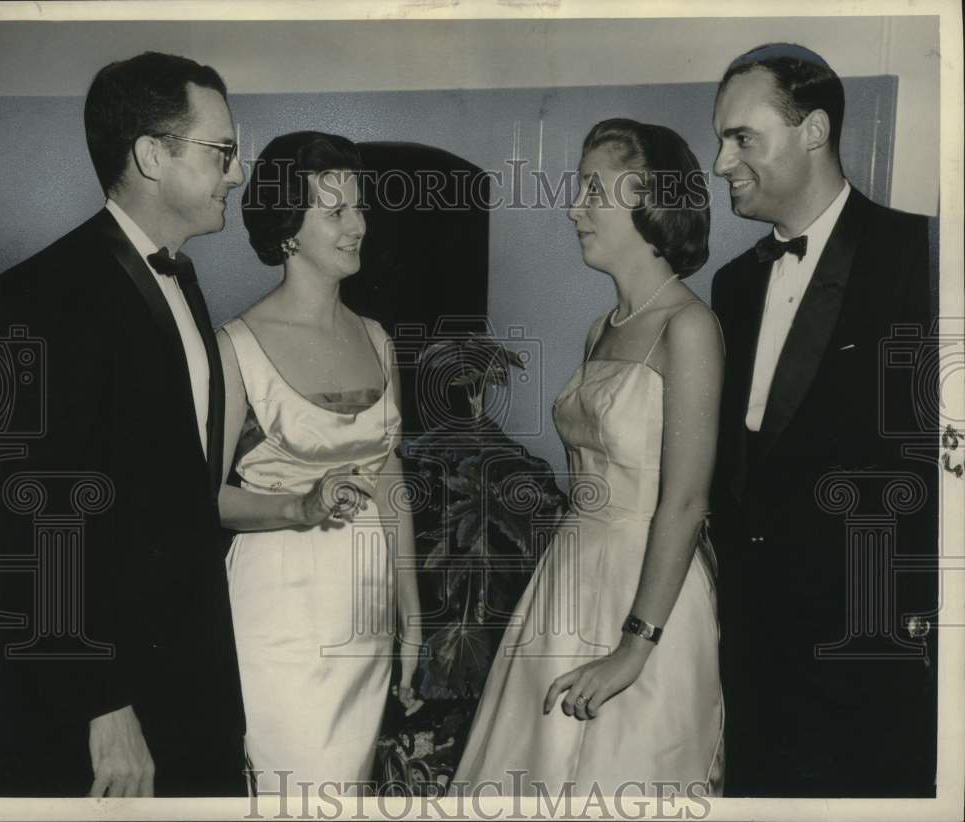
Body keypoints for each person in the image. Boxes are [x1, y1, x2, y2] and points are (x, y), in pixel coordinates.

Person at [0, 52, 247, 796]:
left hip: (189, 675)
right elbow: (37, 517)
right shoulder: (44, 295)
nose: (236, 173)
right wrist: (101, 703)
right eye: (222, 152)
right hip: (110, 700)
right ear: (150, 156)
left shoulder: (182, 278)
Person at [452, 119, 724, 797]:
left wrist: (635, 646)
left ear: (651, 199)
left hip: (648, 591)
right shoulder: (602, 328)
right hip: (569, 576)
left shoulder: (689, 328)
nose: (574, 208)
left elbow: (686, 503)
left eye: (593, 190)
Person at [710, 43, 937, 797]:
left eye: (741, 137)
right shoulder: (734, 285)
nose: (721, 162)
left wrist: (921, 616)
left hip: (869, 650)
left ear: (814, 130)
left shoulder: (920, 253)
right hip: (750, 644)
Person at [218, 131, 423, 793]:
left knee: (349, 789)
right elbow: (203, 499)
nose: (358, 225)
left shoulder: (375, 337)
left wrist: (410, 613)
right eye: (335, 212)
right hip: (278, 615)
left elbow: (389, 481)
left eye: (359, 208)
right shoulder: (235, 347)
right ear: (287, 231)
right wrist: (298, 505)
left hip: (364, 610)